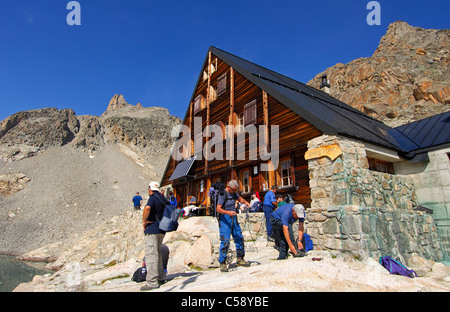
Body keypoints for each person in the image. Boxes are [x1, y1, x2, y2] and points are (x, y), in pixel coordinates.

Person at [216, 180, 251, 272]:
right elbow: (218, 209)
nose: (235, 192)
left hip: (233, 217)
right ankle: (222, 262)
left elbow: (240, 199)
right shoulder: (222, 194)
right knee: (225, 240)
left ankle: (240, 258)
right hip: (225, 219)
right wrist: (228, 212)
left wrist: (245, 202)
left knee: (239, 237)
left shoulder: (234, 193)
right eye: (233, 190)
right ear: (229, 187)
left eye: (236, 190)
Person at [141, 181, 170, 291]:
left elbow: (147, 208)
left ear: (150, 189)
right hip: (162, 229)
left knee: (151, 254)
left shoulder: (152, 198)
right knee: (157, 252)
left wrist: (144, 221)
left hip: (152, 229)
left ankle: (152, 282)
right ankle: (161, 276)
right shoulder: (162, 198)